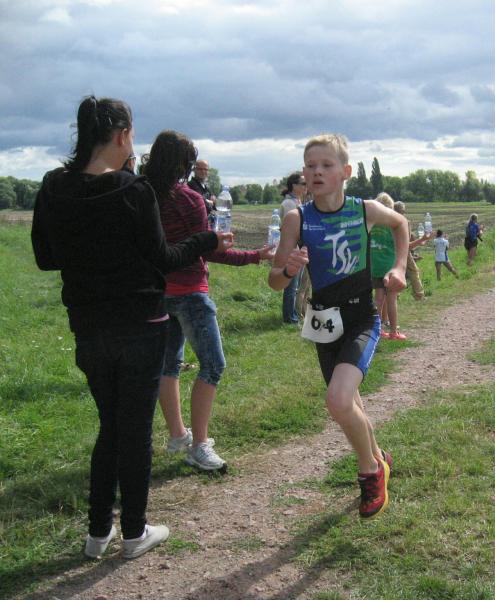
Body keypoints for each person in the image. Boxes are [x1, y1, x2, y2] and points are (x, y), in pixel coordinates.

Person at [31, 96, 233, 560]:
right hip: (141, 325)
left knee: (111, 426)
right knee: (135, 431)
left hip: (88, 325)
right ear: (122, 135)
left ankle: (98, 532)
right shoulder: (132, 189)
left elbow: (45, 257)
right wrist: (206, 240)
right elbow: (164, 259)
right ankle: (135, 532)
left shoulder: (53, 186)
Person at [268, 134, 409, 519]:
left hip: (361, 317)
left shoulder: (364, 210)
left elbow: (400, 223)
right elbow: (275, 281)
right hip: (323, 321)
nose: (316, 172)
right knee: (349, 401)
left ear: (345, 172)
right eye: (310, 165)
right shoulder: (297, 219)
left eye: (326, 165)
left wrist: (399, 267)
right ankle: (379, 457)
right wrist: (288, 271)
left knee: (339, 400)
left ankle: (370, 472)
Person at [144, 130, 274, 472]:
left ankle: (178, 435)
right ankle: (199, 446)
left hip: (158, 293)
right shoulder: (190, 200)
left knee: (168, 365)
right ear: (186, 164)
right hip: (190, 292)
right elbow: (209, 250)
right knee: (213, 365)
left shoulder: (143, 194)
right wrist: (255, 256)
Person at [370, 193, 405, 340]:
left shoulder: (371, 225)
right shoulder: (393, 226)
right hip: (390, 267)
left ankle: (376, 331)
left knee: (378, 299)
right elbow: (399, 246)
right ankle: (393, 332)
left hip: (374, 266)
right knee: (392, 299)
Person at [280, 172, 308, 323]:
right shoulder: (289, 204)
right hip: (292, 248)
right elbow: (291, 229)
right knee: (291, 284)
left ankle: (292, 314)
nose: (306, 186)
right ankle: (289, 317)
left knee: (295, 284)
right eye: (303, 183)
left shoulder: (297, 201)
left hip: (298, 246)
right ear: (294, 185)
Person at [393, 201, 429, 301]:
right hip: (403, 251)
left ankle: (395, 296)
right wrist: (421, 240)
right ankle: (419, 295)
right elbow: (407, 239)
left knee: (394, 272)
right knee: (413, 272)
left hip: (391, 250)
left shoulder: (389, 220)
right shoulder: (405, 221)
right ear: (402, 211)